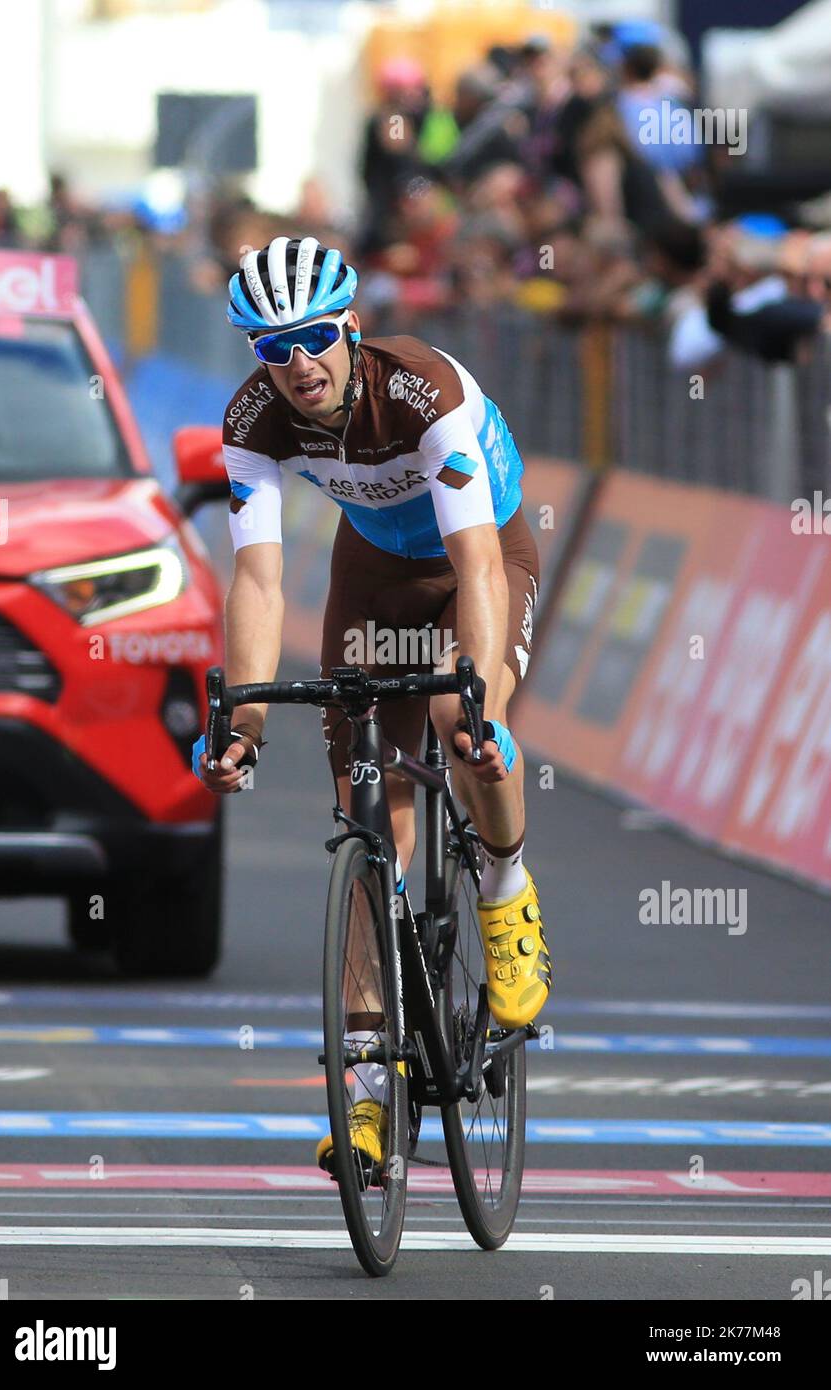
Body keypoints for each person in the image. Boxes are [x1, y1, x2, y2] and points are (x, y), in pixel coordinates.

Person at [192, 235, 551, 1174]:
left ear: (349, 324)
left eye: (313, 336)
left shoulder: (423, 391)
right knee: (366, 816)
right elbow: (260, 583)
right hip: (374, 578)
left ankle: (509, 894)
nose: (298, 363)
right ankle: (365, 1101)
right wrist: (246, 723)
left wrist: (472, 694)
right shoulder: (252, 421)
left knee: (458, 727)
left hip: (481, 560)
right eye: (274, 349)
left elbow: (475, 565)